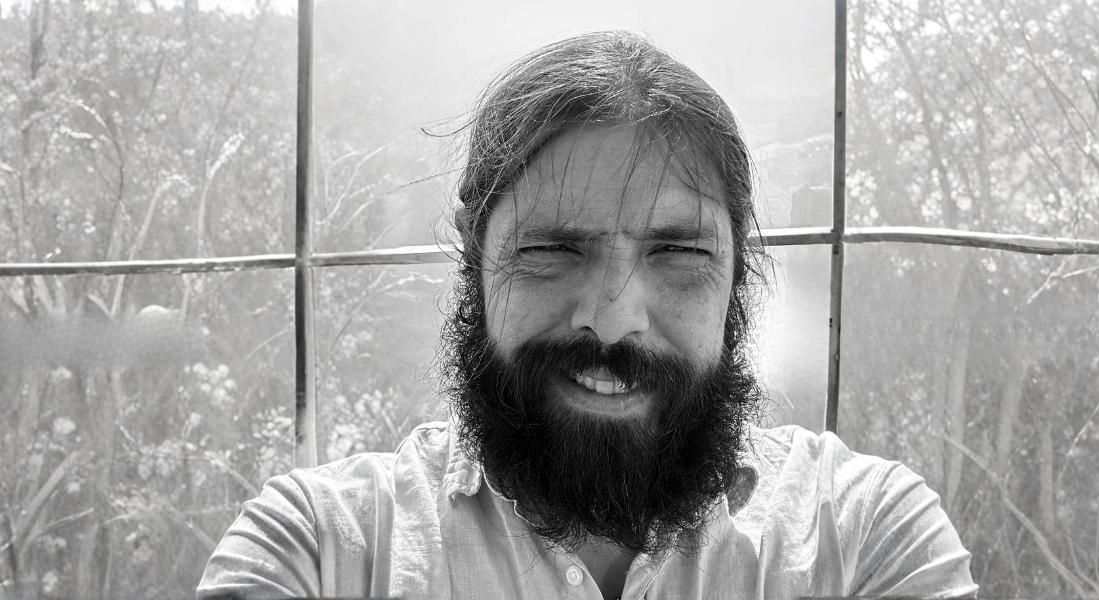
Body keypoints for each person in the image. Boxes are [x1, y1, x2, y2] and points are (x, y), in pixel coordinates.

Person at [197, 30, 977, 599]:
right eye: (551, 250)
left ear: (739, 273)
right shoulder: (321, 547)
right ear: (474, 257)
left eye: (678, 252)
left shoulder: (863, 533)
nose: (611, 320)